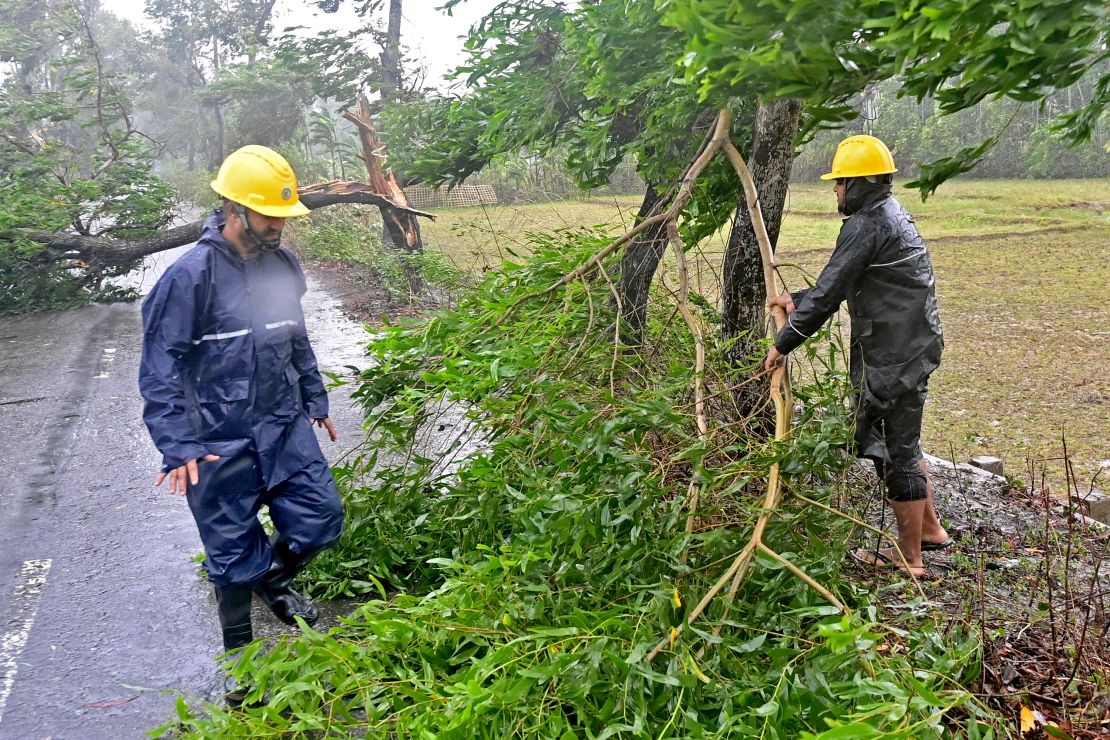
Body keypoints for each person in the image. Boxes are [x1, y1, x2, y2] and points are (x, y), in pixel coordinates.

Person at [139, 145, 345, 687]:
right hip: (215, 439)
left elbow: (295, 335)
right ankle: (241, 667)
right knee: (232, 558)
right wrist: (177, 444)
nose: (280, 225)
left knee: (322, 519)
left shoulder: (282, 264)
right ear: (235, 210)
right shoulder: (189, 278)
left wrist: (314, 397)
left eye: (284, 216)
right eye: (269, 215)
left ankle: (273, 581)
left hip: (282, 425)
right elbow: (160, 369)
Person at [763, 134, 950, 577]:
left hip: (894, 355)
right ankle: (930, 531)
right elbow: (848, 282)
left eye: (840, 182)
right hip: (910, 345)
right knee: (904, 438)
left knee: (894, 449)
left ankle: (910, 559)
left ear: (860, 183)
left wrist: (782, 342)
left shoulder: (867, 224)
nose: (835, 190)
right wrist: (798, 298)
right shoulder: (891, 215)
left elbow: (831, 293)